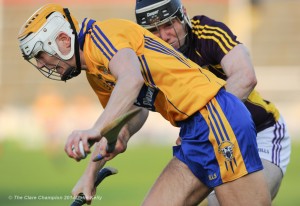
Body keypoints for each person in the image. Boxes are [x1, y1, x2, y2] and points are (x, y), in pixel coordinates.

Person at [18, 3, 271, 205]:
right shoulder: (95, 72)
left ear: (62, 40)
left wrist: (95, 128)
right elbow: (126, 116)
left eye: (40, 55)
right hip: (195, 132)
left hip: (216, 114)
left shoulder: (100, 36)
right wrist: (90, 174)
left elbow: (131, 79)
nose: (41, 64)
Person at [135, 0, 291, 204]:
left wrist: (203, 123)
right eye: (154, 30)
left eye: (168, 25)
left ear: (183, 15)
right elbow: (137, 108)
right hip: (206, 142)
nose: (164, 37)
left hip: (260, 133)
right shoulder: (149, 60)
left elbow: (245, 76)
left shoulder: (207, 32)